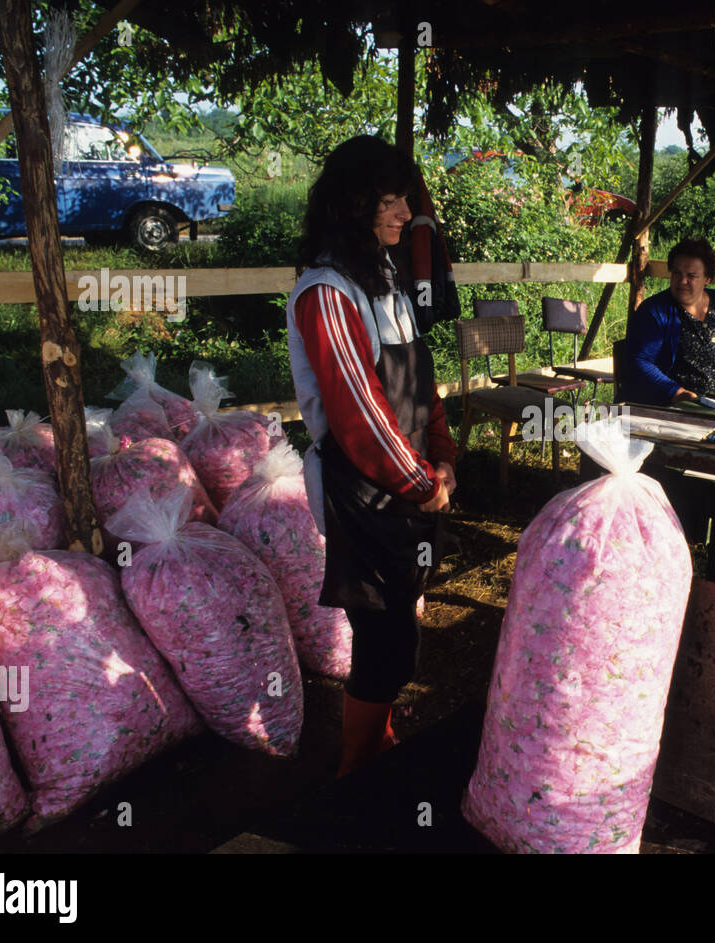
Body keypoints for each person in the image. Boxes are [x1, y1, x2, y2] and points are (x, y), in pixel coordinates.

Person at [286, 136, 457, 778]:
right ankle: (355, 771)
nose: (401, 213)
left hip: (409, 485)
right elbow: (359, 414)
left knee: (396, 635)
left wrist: (443, 457)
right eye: (387, 201)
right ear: (353, 205)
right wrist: (421, 481)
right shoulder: (327, 292)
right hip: (365, 493)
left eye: (404, 199)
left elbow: (420, 381)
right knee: (385, 640)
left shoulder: (386, 278)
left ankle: (378, 739)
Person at [621, 238, 715, 408]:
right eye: (676, 273)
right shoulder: (654, 311)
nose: (682, 281)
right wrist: (676, 392)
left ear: (707, 278)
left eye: (691, 276)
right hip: (681, 408)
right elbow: (639, 362)